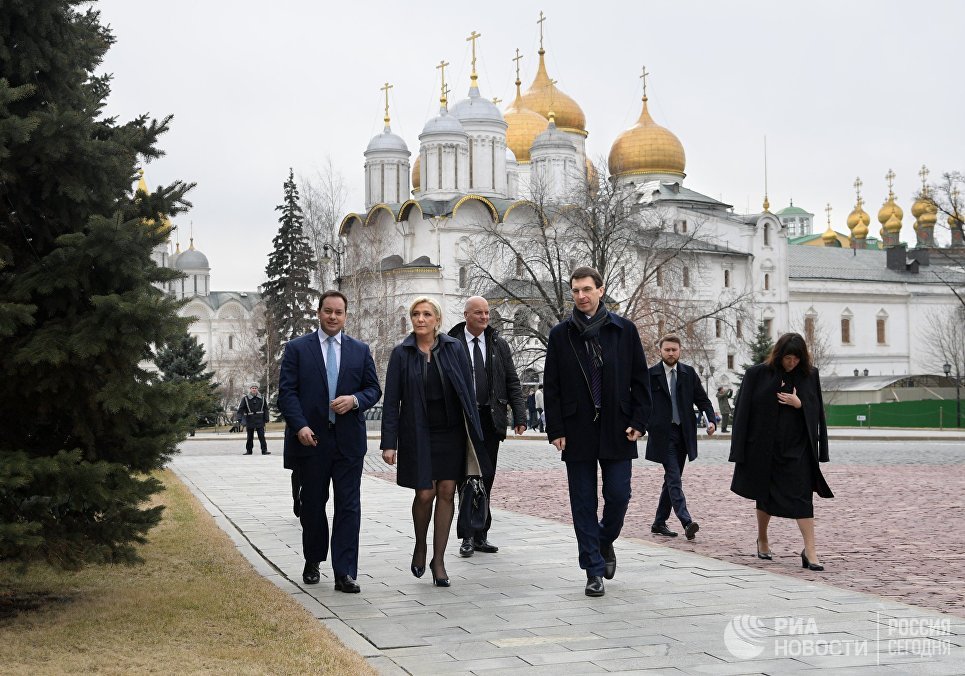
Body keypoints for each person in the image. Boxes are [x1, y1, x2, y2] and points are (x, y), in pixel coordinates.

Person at [544, 266, 651, 597]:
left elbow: (640, 381)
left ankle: (604, 541)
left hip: (618, 427)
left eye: (587, 289)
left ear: (601, 290)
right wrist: (556, 429)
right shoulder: (561, 334)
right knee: (582, 501)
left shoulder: (624, 330)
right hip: (576, 429)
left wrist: (639, 420)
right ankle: (593, 569)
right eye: (575, 291)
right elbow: (553, 386)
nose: (581, 296)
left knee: (619, 495)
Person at [277, 290, 382, 593]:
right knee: (312, 504)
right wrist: (300, 426)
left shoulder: (360, 350)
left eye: (339, 312)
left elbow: (373, 389)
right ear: (319, 313)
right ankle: (313, 560)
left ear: (346, 316)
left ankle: (345, 572)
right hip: (312, 441)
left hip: (349, 442)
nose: (333, 317)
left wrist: (355, 400)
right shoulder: (297, 349)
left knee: (348, 506)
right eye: (328, 311)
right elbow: (287, 392)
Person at [381, 297, 489, 587]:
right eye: (416, 314)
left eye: (427, 314)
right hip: (418, 432)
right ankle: (420, 545)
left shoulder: (453, 348)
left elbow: (468, 392)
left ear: (437, 320)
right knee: (425, 494)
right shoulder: (401, 353)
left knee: (446, 491)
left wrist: (476, 438)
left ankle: (439, 560)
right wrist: (388, 442)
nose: (420, 319)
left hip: (451, 432)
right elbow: (392, 400)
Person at [729, 332, 833, 571]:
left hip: (798, 449)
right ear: (779, 355)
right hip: (764, 449)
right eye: (788, 358)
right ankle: (763, 539)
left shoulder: (809, 375)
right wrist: (739, 451)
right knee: (764, 495)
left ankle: (811, 551)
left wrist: (800, 405)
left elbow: (817, 411)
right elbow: (743, 412)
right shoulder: (758, 374)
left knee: (802, 497)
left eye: (796, 358)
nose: (792, 363)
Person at [448, 296, 527, 557]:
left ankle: (481, 534)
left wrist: (520, 416)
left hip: (490, 419)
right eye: (478, 313)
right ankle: (467, 536)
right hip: (462, 420)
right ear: (466, 315)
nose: (484, 317)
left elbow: (512, 381)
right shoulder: (452, 343)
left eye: (487, 313)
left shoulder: (498, 344)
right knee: (468, 477)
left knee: (487, 477)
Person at [645, 335, 716, 540]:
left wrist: (711, 420)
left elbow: (703, 401)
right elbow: (641, 402)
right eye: (667, 349)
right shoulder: (651, 375)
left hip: (683, 434)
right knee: (674, 477)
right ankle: (686, 521)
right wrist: (645, 425)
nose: (670, 353)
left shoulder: (688, 374)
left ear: (680, 350)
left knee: (671, 480)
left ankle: (659, 522)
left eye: (674, 349)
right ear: (660, 351)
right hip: (662, 434)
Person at [237, 384, 269, 455]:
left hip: (259, 419)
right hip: (250, 419)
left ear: (257, 389)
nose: (254, 389)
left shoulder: (262, 398)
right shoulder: (245, 399)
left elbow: (266, 409)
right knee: (249, 437)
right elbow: (241, 409)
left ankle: (264, 450)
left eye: (255, 388)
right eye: (252, 388)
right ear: (250, 389)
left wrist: (266, 418)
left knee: (261, 436)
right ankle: (249, 451)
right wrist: (239, 418)